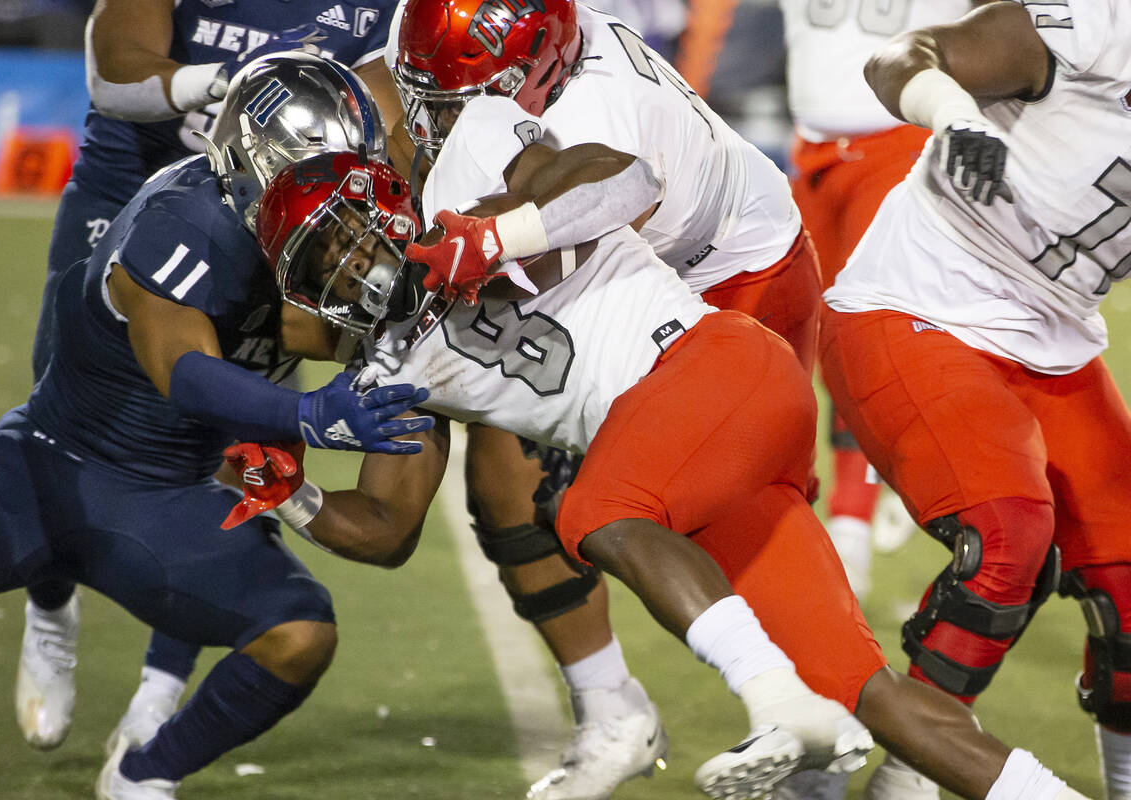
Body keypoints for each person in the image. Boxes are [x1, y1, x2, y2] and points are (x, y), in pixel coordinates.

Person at [240, 147, 1095, 800]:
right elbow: (388, 531)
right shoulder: (389, 373)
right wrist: (297, 495)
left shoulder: (479, 193)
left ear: (391, 206)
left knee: (588, 510)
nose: (351, 268)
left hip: (716, 367)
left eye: (351, 241)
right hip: (713, 459)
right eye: (326, 263)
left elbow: (625, 177)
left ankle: (773, 700)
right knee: (869, 694)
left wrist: (495, 236)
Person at [0, 54, 434, 800]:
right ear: (257, 178)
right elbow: (185, 375)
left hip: (170, 503)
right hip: (46, 467)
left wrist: (424, 326)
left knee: (300, 632)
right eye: (321, 192)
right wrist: (308, 414)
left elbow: (390, 526)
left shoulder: (327, 247)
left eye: (350, 188)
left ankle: (142, 773)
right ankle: (49, 609)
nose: (347, 222)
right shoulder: (185, 216)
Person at [387, 1, 824, 794]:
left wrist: (483, 238)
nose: (440, 115)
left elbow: (607, 201)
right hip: (632, 263)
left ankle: (822, 712)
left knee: (742, 519)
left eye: (464, 94)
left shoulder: (599, 108)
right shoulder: (468, 35)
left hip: (733, 272)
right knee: (507, 485)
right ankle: (610, 710)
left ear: (539, 70)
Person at [16, 0, 404, 754]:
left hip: (274, 212)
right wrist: (221, 82)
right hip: (139, 184)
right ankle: (49, 608)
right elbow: (114, 76)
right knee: (61, 425)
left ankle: (159, 691)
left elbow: (387, 105)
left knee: (236, 438)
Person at [818, 1, 1131, 799]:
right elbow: (898, 57)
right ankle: (907, 773)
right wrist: (957, 116)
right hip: (919, 298)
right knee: (1007, 534)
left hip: (1050, 331)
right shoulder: (1095, 31)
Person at [778, 0, 985, 605]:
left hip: (901, 146)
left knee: (862, 333)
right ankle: (863, 489)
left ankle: (851, 524)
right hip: (812, 155)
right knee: (801, 342)